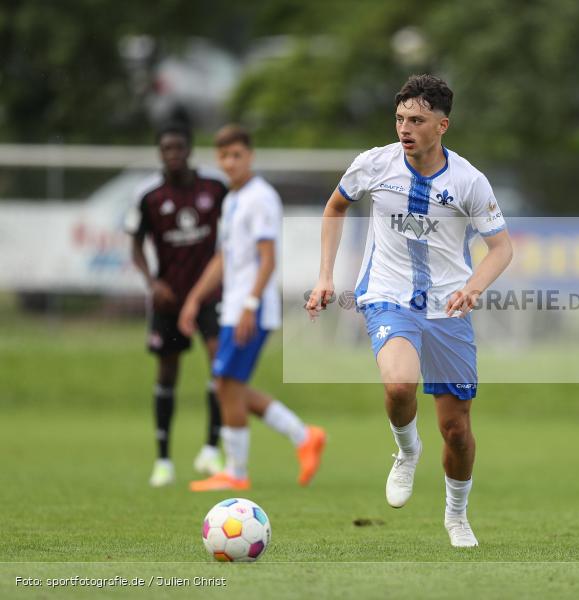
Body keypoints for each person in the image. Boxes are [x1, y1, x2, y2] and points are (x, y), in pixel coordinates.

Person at [306, 74, 513, 547]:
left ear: (443, 125)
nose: (405, 128)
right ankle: (407, 450)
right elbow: (335, 208)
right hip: (388, 296)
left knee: (457, 431)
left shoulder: (469, 181)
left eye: (416, 120)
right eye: (400, 118)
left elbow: (501, 248)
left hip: (448, 310)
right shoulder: (373, 165)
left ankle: (457, 516)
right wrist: (325, 275)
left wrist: (473, 288)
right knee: (399, 384)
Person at [179, 124, 326, 492]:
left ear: (250, 156)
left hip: (251, 308)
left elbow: (268, 259)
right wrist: (195, 298)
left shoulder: (261, 198)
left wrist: (250, 304)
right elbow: (223, 259)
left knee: (226, 384)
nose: (230, 162)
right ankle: (304, 435)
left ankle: (237, 472)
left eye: (237, 155)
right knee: (229, 384)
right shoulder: (231, 200)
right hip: (233, 307)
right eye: (224, 156)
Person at [127, 122, 228, 487]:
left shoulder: (214, 189)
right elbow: (135, 244)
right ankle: (164, 460)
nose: (172, 154)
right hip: (169, 297)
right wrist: (152, 283)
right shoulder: (149, 195)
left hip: (210, 294)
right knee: (167, 373)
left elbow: (232, 232)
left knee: (220, 364)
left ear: (189, 150)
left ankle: (211, 449)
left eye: (178, 147)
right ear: (160, 153)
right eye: (166, 148)